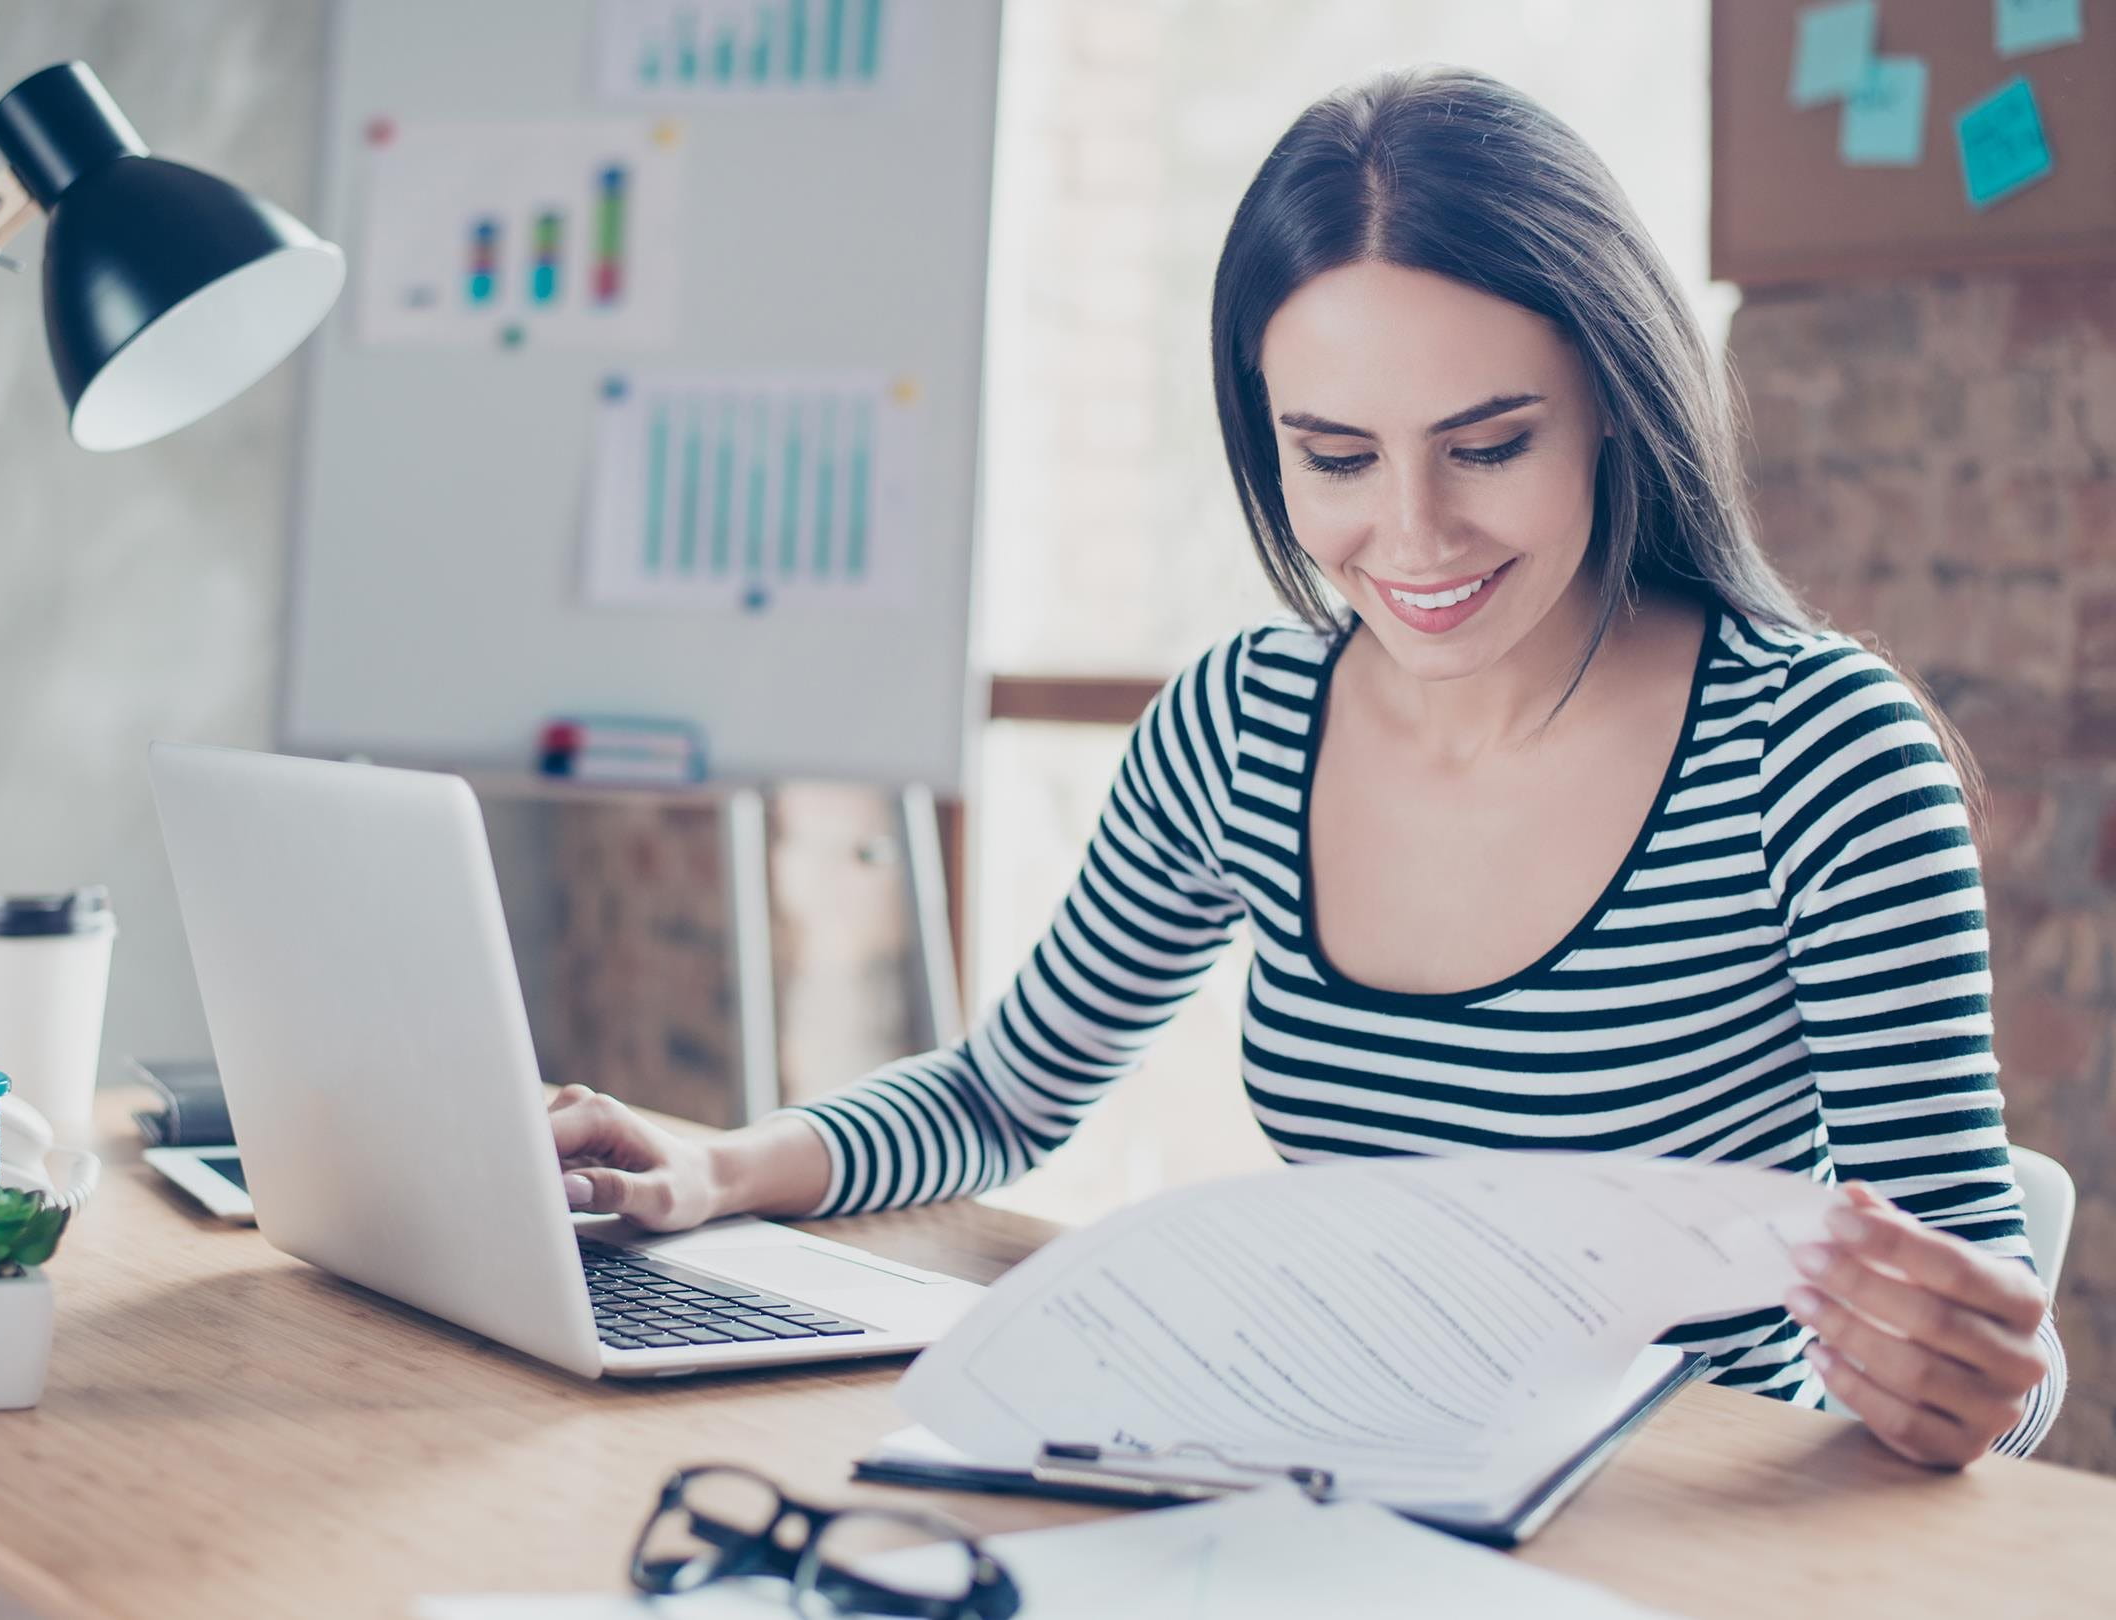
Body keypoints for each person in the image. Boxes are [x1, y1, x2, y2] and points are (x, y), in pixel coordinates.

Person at [545, 66, 2063, 1467]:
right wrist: (719, 1172)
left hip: (1682, 1535)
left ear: (1615, 400)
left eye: (1488, 446)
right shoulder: (1241, 727)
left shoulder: (1816, 753)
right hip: (1334, 1483)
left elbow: (1997, 1338)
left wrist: (1979, 1382)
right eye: (1337, 458)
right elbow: (1009, 1096)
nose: (1412, 538)